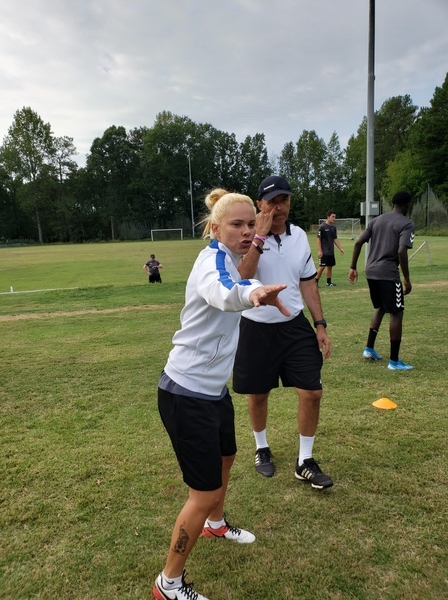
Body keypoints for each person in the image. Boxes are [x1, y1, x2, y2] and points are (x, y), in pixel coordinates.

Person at [153, 188, 290, 600]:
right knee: (204, 492)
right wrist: (253, 293)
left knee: (227, 456)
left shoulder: (230, 258)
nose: (247, 231)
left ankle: (215, 525)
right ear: (215, 229)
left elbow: (238, 279)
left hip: (213, 391)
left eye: (250, 223)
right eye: (236, 225)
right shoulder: (211, 261)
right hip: (186, 393)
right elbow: (224, 291)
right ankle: (168, 583)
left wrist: (252, 286)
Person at [233, 175, 333, 489]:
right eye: (272, 202)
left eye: (284, 200)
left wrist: (320, 324)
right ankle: (262, 448)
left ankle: (305, 460)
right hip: (255, 326)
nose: (279, 208)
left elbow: (308, 282)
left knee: (312, 392)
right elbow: (241, 278)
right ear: (259, 204)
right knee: (258, 394)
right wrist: (259, 237)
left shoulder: (299, 236)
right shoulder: (246, 237)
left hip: (294, 325)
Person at [348, 190, 415, 371]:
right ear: (407, 205)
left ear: (393, 203)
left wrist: (353, 267)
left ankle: (369, 349)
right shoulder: (406, 223)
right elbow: (401, 251)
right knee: (397, 313)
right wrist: (407, 278)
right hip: (388, 273)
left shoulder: (376, 220)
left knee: (380, 307)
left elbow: (358, 243)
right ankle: (394, 361)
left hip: (371, 271)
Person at [315, 210, 345, 286]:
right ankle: (315, 282)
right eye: (333, 216)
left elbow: (335, 239)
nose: (334, 218)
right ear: (328, 217)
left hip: (331, 251)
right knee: (322, 267)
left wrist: (340, 248)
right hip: (324, 251)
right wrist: (320, 250)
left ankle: (328, 282)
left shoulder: (333, 228)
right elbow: (318, 239)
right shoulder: (322, 227)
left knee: (330, 266)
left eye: (335, 217)